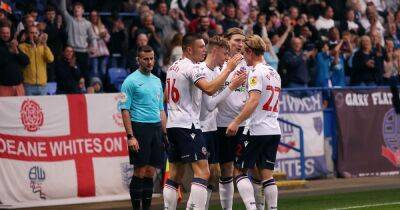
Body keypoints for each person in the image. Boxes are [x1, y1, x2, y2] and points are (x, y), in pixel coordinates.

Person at [163, 34, 243, 210]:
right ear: (189, 49)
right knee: (203, 172)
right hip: (188, 125)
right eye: (200, 47)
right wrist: (229, 70)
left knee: (176, 173)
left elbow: (165, 96)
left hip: (173, 123)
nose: (203, 50)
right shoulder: (193, 68)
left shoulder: (172, 67)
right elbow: (209, 89)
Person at [226, 34, 281, 210]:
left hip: (256, 129)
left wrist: (236, 121)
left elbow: (253, 101)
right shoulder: (274, 72)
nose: (243, 57)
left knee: (239, 171)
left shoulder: (256, 72)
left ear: (250, 51)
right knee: (267, 175)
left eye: (244, 53)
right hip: (273, 129)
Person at [197, 36, 247, 209]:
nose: (227, 57)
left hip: (212, 126)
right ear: (216, 51)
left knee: (216, 171)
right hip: (203, 127)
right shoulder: (202, 70)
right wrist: (231, 85)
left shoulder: (216, 71)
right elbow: (210, 104)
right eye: (225, 53)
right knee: (204, 173)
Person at [119, 45, 167, 210]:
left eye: (151, 58)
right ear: (138, 60)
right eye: (145, 59)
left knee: (150, 172)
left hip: (156, 129)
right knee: (139, 171)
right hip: (139, 129)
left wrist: (165, 133)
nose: (149, 62)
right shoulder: (130, 81)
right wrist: (130, 136)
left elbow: (161, 109)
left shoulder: (157, 81)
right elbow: (125, 110)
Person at [59, 0, 96, 86]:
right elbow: (63, 10)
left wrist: (94, 47)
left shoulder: (87, 23)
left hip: (83, 52)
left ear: (83, 10)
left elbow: (92, 37)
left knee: (85, 73)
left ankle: (87, 92)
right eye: (75, 8)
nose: (76, 9)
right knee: (72, 72)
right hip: (72, 52)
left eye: (79, 8)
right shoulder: (69, 20)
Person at [19, 25, 54, 96]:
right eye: (31, 33)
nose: (34, 35)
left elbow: (50, 59)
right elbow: (26, 61)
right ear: (27, 34)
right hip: (28, 85)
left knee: (42, 106)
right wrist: (32, 47)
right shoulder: (22, 46)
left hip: (42, 84)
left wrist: (44, 44)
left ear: (39, 34)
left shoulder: (43, 47)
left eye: (36, 33)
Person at [0, 21, 29, 96]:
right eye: (3, 33)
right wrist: (10, 52)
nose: (5, 35)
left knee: (20, 108)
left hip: (19, 86)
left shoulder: (14, 46)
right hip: (3, 87)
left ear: (10, 33)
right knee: (4, 108)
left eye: (7, 33)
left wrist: (16, 51)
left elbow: (26, 61)